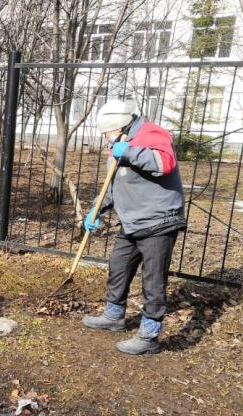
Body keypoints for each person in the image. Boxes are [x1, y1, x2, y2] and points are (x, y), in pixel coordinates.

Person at [81, 99, 186, 355]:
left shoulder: (152, 133)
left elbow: (163, 164)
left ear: (119, 126)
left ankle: (149, 336)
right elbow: (112, 184)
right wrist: (95, 210)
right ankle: (114, 316)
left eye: (107, 132)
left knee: (153, 280)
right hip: (132, 222)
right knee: (119, 265)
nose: (106, 137)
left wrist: (127, 152)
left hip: (158, 220)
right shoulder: (117, 146)